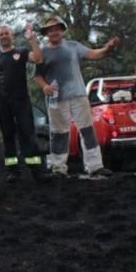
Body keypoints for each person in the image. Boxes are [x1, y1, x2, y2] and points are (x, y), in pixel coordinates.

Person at [33, 17, 120, 177]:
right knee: (59, 133)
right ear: (46, 33)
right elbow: (37, 75)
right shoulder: (43, 53)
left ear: (62, 30)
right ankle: (58, 168)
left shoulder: (73, 46)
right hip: (56, 98)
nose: (54, 32)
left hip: (78, 94)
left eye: (57, 29)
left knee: (87, 130)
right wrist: (45, 86)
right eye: (51, 30)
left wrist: (107, 49)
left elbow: (93, 54)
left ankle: (95, 166)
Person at [0, 24, 51, 183]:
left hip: (21, 99)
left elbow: (39, 59)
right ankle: (13, 172)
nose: (4, 36)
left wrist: (32, 39)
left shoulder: (21, 52)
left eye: (6, 33)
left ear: (12, 35)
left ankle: (37, 171)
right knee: (7, 135)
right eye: (1, 34)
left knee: (27, 133)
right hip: (2, 101)